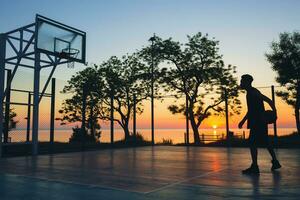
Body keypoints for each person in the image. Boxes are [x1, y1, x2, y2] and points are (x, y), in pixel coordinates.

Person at [238, 74, 281, 175]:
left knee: (252, 143)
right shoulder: (249, 93)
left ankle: (255, 167)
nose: (240, 83)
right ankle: (275, 162)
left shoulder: (254, 92)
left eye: (242, 81)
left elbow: (268, 100)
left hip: (258, 122)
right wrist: (243, 120)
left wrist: (275, 112)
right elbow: (251, 109)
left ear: (247, 82)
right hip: (257, 121)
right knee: (265, 142)